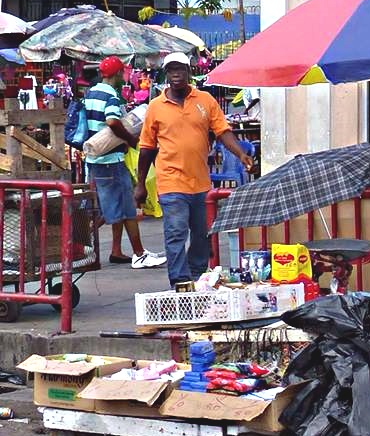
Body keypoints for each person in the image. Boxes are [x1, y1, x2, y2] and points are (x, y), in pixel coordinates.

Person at [134, 52, 254, 288]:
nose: (176, 74)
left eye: (180, 69)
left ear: (189, 72)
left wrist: (240, 153)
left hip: (200, 183)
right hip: (171, 182)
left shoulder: (205, 100)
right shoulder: (156, 107)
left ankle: (197, 276)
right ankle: (179, 281)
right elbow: (147, 147)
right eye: (171, 70)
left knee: (201, 235)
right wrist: (140, 184)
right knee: (176, 233)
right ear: (166, 74)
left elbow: (222, 131)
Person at [84, 57, 166, 269]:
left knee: (112, 205)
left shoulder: (92, 92)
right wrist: (130, 139)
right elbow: (112, 121)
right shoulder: (112, 96)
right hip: (110, 159)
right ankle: (138, 253)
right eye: (122, 73)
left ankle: (116, 250)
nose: (124, 76)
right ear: (116, 74)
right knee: (125, 206)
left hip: (95, 158)